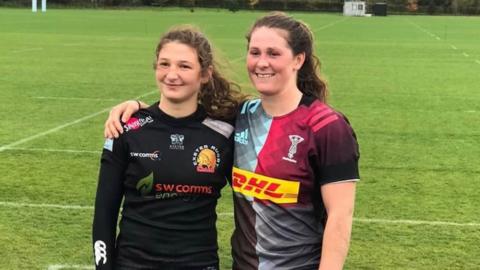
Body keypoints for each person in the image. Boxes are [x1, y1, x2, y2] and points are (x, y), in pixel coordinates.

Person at [104, 12, 360, 270]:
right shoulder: (240, 116)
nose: (261, 62)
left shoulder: (327, 127)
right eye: (255, 52)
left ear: (298, 59)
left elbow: (340, 217)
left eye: (273, 53)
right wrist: (138, 109)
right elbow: (180, 117)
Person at [92, 26, 242, 270]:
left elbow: (250, 207)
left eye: (184, 66)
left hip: (198, 263)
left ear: (205, 74)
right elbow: (104, 212)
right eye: (164, 64)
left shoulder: (224, 133)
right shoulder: (126, 128)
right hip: (133, 264)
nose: (172, 75)